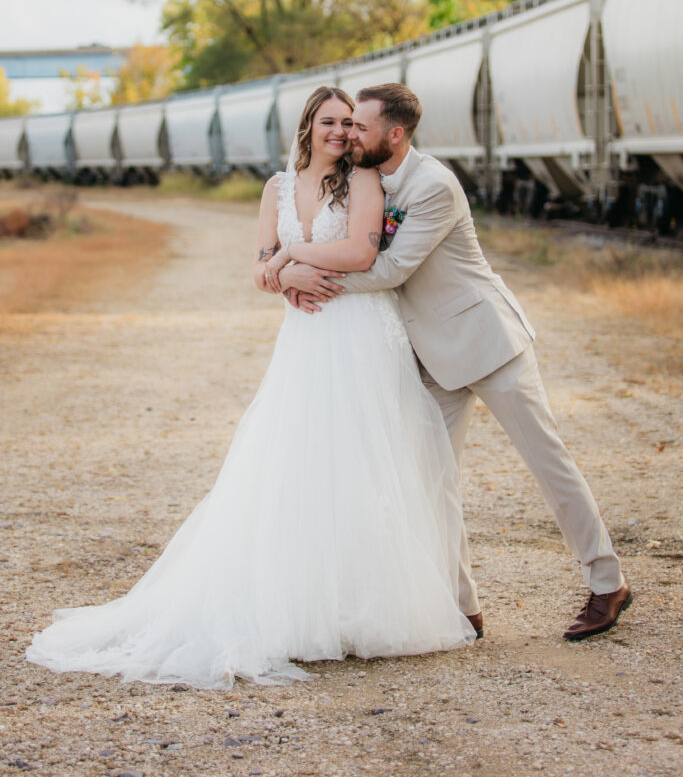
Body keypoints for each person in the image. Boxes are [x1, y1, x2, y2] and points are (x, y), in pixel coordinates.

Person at [26, 86, 476, 690]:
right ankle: (301, 602)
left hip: (363, 331)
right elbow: (260, 265)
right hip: (307, 334)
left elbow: (360, 251)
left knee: (366, 457)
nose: (340, 132)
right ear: (308, 127)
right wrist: (282, 275)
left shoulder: (364, 181)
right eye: (329, 121)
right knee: (297, 459)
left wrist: (291, 256)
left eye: (349, 123)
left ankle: (365, 604)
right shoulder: (276, 189)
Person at [271, 83, 632, 642]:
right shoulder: (368, 180)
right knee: (433, 479)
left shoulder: (434, 185)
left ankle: (608, 583)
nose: (350, 135)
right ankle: (463, 607)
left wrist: (302, 274)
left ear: (394, 134)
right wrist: (286, 271)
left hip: (486, 342)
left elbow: (391, 270)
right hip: (431, 356)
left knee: (548, 463)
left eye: (361, 127)